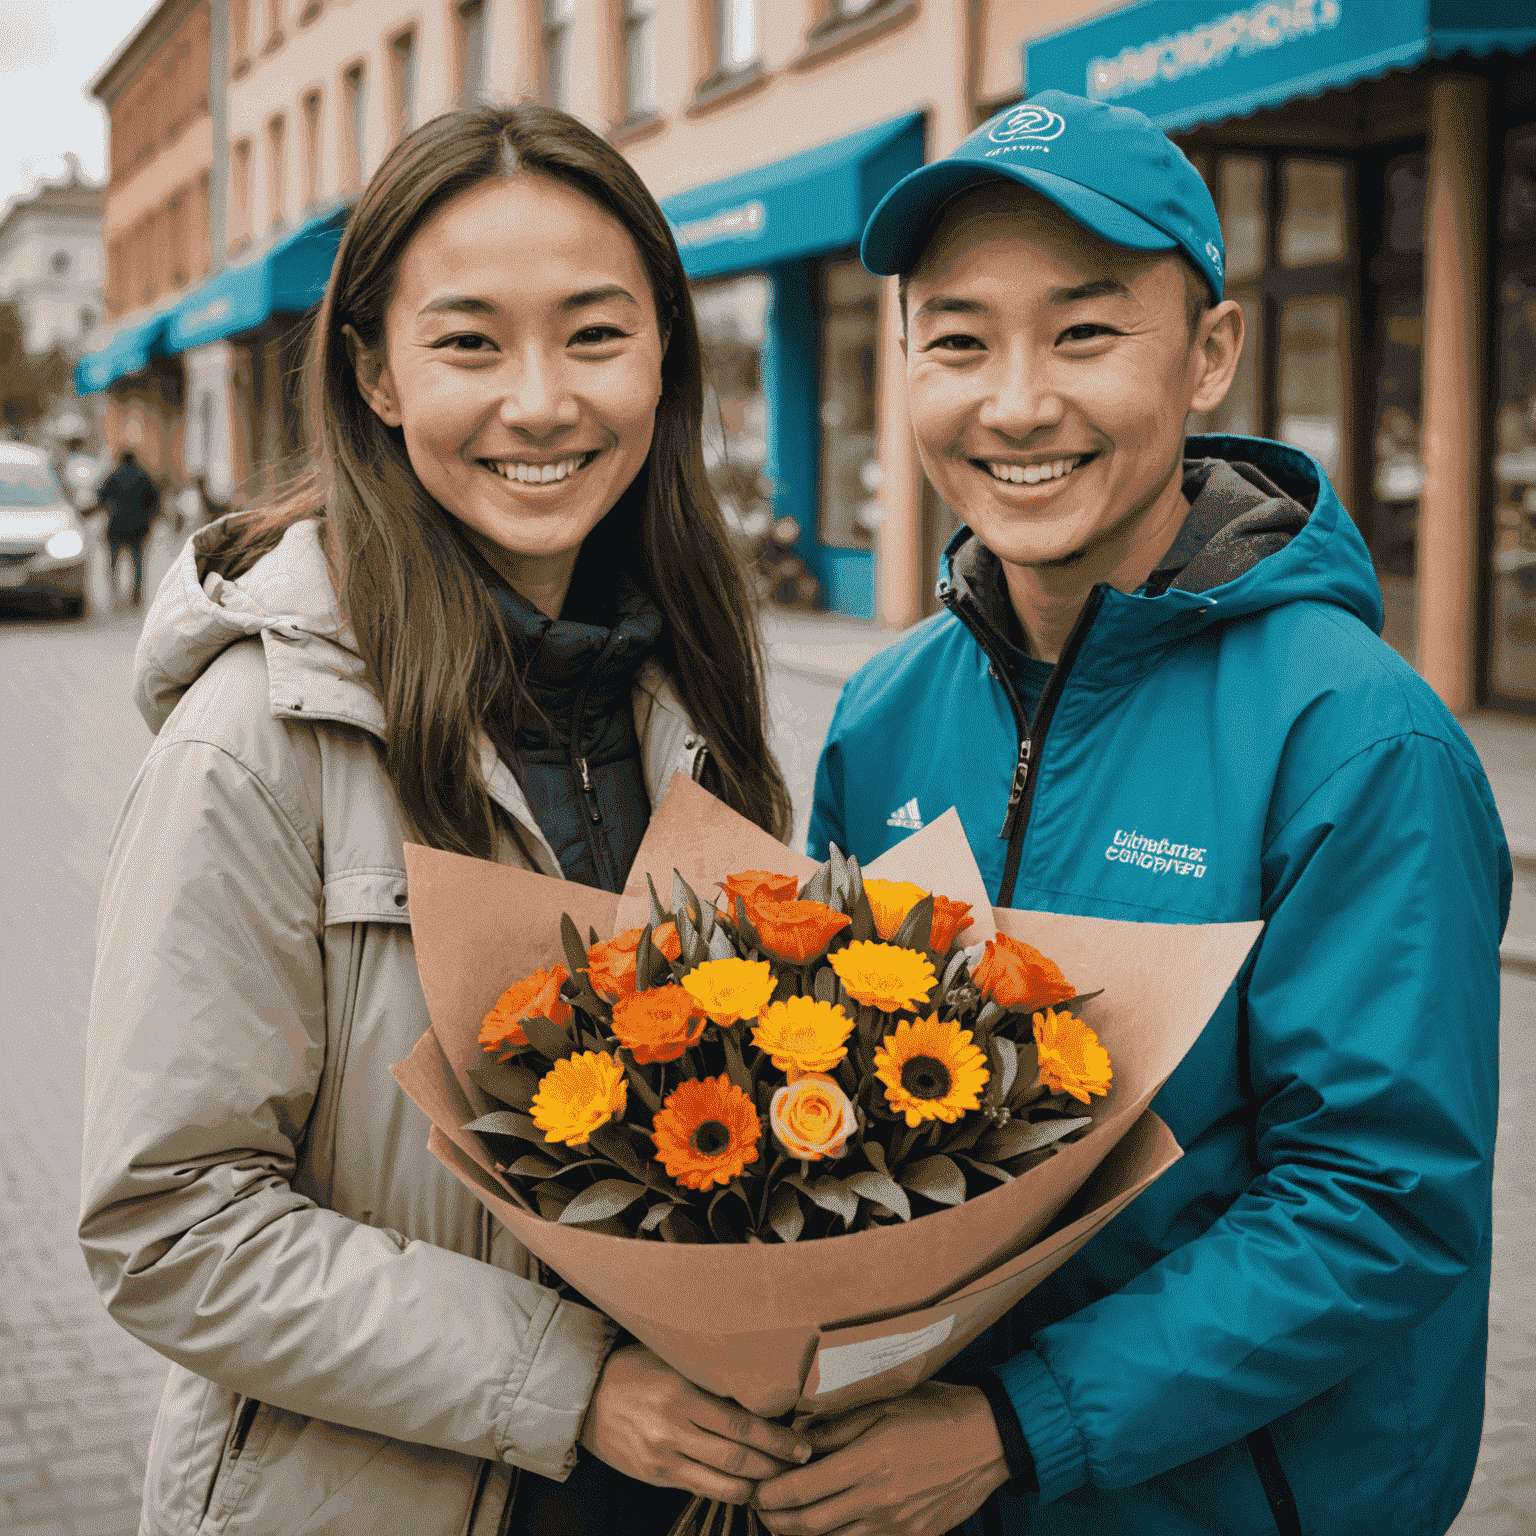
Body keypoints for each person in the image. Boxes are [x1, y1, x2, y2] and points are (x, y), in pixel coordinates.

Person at [761, 92, 1511, 1536]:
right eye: (960, 339)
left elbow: (1377, 1200)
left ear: (1210, 355)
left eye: (1085, 333)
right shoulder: (886, 713)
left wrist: (1008, 1428)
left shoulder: (1356, 739)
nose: (1018, 401)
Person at [79, 104, 807, 1536]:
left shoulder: (689, 689)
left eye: (596, 335)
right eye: (470, 342)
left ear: (666, 351)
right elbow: (170, 1225)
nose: (541, 402)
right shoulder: (258, 739)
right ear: (377, 373)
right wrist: (573, 1387)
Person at [96, 447, 159, 605]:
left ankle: (115, 594)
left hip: (117, 526)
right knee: (137, 563)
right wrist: (148, 518)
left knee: (113, 562)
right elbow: (155, 501)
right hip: (138, 527)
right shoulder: (143, 477)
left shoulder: (114, 477)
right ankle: (136, 595)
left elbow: (101, 497)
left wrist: (111, 508)